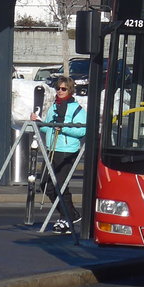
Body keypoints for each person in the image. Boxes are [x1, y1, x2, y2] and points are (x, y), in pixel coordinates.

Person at [31, 78, 87, 234]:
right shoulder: (53, 107)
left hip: (67, 150)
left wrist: (62, 129)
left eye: (63, 89)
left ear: (70, 90)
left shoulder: (77, 109)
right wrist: (39, 122)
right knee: (45, 185)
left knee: (60, 185)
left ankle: (66, 219)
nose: (60, 91)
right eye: (58, 88)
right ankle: (71, 214)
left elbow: (82, 131)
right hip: (52, 149)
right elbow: (48, 128)